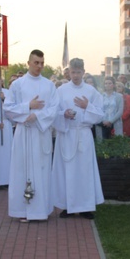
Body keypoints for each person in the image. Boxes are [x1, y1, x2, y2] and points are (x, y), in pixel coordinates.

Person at [4, 49, 59, 222]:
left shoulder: (49, 85)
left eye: (42, 63)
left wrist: (37, 115)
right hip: (23, 132)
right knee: (22, 170)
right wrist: (28, 106)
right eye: (36, 63)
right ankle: (23, 211)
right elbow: (8, 108)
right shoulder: (17, 85)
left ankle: (40, 210)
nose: (40, 66)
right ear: (28, 63)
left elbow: (54, 109)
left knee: (41, 170)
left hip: (40, 132)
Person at [51, 58, 104, 219]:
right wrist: (64, 114)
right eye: (72, 72)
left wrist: (87, 106)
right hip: (67, 134)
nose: (75, 75)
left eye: (78, 72)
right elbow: (54, 112)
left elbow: (100, 114)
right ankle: (68, 206)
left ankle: (85, 206)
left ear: (83, 71)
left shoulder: (91, 91)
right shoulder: (61, 90)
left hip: (83, 135)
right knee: (67, 171)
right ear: (68, 72)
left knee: (84, 171)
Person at [97, 76, 123, 141]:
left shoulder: (119, 96)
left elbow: (120, 111)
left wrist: (111, 121)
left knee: (116, 143)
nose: (107, 85)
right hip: (102, 123)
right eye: (106, 83)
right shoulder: (100, 96)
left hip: (115, 123)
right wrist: (103, 121)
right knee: (102, 143)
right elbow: (97, 109)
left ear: (113, 85)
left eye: (110, 83)